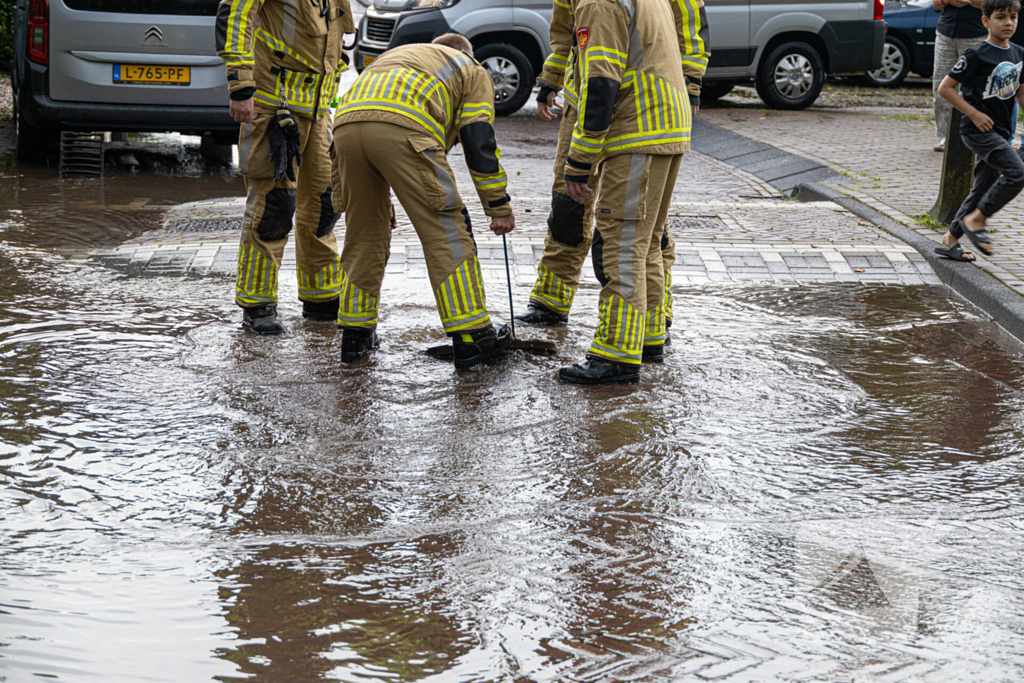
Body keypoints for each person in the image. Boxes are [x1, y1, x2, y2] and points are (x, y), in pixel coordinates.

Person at [519, 0, 710, 362]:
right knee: (579, 212)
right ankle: (564, 305)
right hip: (604, 106)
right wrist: (552, 78)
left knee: (630, 235)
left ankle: (622, 350)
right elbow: (568, 33)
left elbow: (605, 75)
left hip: (630, 112)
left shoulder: (602, 3)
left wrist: (691, 81)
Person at [330, 34, 517, 369]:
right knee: (446, 231)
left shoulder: (401, 58)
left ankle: (355, 336)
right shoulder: (471, 70)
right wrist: (497, 205)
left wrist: (360, 196)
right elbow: (478, 138)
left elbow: (369, 122)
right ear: (465, 52)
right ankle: (473, 336)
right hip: (406, 129)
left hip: (345, 130)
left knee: (363, 234)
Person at [554, 0, 691, 385]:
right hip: (667, 127)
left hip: (636, 132)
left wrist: (579, 162)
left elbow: (601, 83)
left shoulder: (598, 3)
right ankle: (647, 339)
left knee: (620, 245)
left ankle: (615, 354)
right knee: (645, 244)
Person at [216, 0, 354, 334]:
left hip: (318, 111)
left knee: (324, 207)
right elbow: (234, 16)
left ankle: (321, 297)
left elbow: (338, 36)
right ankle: (258, 303)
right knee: (274, 207)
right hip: (273, 106)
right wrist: (240, 85)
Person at [935, 0, 1024, 261]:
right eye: (1001, 17)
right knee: (1017, 173)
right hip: (977, 131)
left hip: (1001, 132)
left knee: (982, 188)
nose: (1008, 23)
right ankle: (978, 220)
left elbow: (1020, 95)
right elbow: (945, 88)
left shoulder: (1019, 54)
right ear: (985, 21)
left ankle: (951, 240)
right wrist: (973, 113)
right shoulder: (977, 54)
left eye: (1013, 17)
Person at [933, 0, 988, 152]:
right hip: (946, 33)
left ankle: (974, 135)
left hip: (976, 34)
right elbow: (936, 4)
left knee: (975, 89)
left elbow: (992, 4)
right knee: (940, 86)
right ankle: (945, 135)